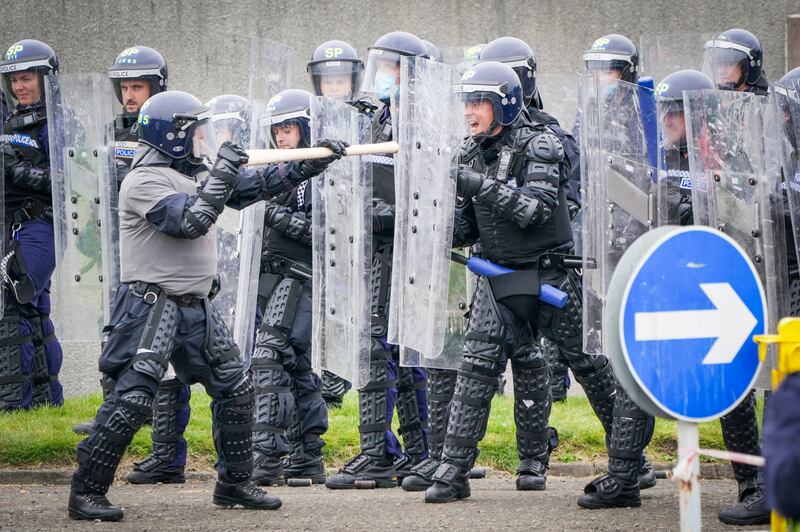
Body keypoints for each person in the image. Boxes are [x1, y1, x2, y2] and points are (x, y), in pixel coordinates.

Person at [67, 89, 345, 521]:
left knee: (236, 391)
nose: (204, 139)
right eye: (197, 131)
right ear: (173, 136)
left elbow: (254, 186)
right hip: (150, 305)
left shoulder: (196, 176)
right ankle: (87, 491)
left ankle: (234, 485)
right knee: (133, 399)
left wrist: (311, 163)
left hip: (196, 305)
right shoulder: (143, 181)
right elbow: (189, 220)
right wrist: (223, 170)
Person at [425, 60, 572, 502]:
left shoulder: (542, 143)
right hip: (496, 276)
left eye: (478, 103)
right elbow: (468, 228)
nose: (468, 112)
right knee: (476, 366)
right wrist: (423, 224)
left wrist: (475, 185)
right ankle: (453, 472)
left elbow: (536, 210)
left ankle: (626, 467)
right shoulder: (468, 152)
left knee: (589, 365)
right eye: (465, 102)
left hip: (550, 274)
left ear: (503, 104)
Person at [326, 31, 431, 489]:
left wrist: (369, 211)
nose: (380, 76)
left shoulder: (424, 123)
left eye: (390, 67)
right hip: (378, 249)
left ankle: (380, 455)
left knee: (385, 350)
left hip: (408, 251)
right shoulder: (379, 119)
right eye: (379, 66)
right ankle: (415, 452)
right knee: (395, 352)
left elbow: (424, 197)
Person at [73, 45, 171, 438]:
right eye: (125, 87)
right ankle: (113, 407)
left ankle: (151, 411)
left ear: (156, 88)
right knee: (113, 324)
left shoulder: (170, 129)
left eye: (138, 87)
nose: (130, 96)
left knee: (150, 330)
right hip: (115, 240)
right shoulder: (109, 132)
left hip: (156, 245)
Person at [248, 89, 336, 486]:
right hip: (271, 276)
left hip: (302, 276)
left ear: (306, 129)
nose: (282, 137)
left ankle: (266, 458)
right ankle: (306, 456)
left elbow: (321, 232)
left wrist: (269, 210)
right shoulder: (274, 171)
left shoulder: (321, 170)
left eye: (289, 128)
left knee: (267, 358)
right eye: (277, 130)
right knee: (295, 365)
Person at [703, 28, 770, 526]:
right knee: (737, 372)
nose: (722, 70)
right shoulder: (711, 111)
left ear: (750, 66)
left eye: (730, 62)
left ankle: (776, 482)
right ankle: (754, 482)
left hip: (773, 250)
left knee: (777, 378)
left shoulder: (769, 112)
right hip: (733, 246)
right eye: (716, 60)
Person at [0, 39, 64, 410]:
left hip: (41, 222)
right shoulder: (7, 120)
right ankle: (44, 402)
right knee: (34, 309)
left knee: (11, 300)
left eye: (27, 78)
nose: (20, 86)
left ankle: (11, 403)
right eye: (14, 80)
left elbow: (70, 178)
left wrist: (17, 170)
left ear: (45, 78)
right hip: (11, 225)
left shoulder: (60, 119)